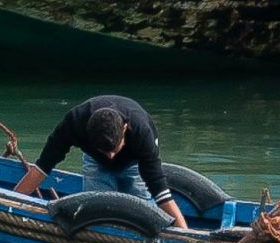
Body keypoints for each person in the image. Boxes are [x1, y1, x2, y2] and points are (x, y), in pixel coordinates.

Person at [15, 96, 189, 230]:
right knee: (96, 212)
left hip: (134, 163)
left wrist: (184, 234)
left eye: (115, 149)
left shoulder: (142, 133)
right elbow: (42, 167)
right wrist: (11, 202)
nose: (111, 157)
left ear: (124, 128)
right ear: (87, 135)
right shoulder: (74, 123)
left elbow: (160, 191)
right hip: (95, 162)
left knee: (141, 214)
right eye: (105, 151)